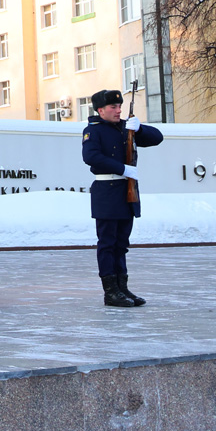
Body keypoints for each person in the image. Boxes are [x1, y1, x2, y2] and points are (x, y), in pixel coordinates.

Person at [82, 89, 163, 307]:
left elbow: (158, 138)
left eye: (119, 107)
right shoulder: (93, 130)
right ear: (100, 110)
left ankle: (122, 288)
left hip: (127, 191)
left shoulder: (125, 128)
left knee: (121, 244)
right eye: (113, 107)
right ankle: (110, 292)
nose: (118, 110)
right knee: (107, 243)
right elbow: (90, 156)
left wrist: (140, 128)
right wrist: (122, 168)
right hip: (107, 191)